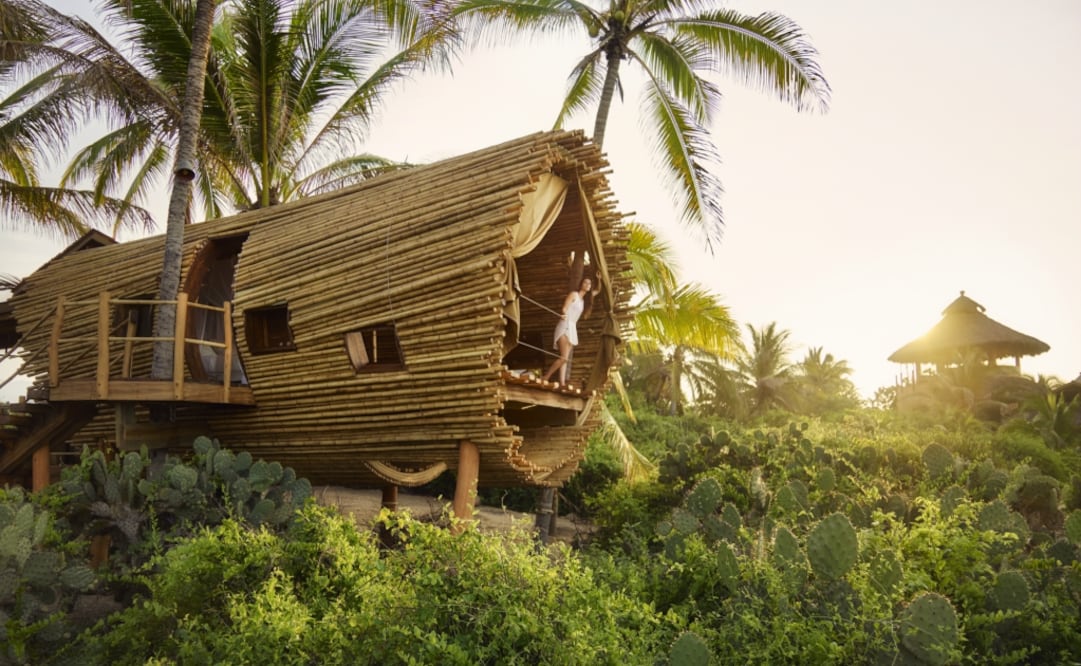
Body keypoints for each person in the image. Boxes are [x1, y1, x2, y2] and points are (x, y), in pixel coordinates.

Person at [542, 275, 601, 387]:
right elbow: (565, 307)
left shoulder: (584, 300)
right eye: (585, 282)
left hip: (572, 327)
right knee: (564, 357)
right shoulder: (574, 295)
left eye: (589, 284)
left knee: (565, 359)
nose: (587, 285)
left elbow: (598, 290)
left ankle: (562, 383)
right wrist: (564, 314)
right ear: (581, 284)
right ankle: (547, 376)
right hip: (565, 324)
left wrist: (599, 279)